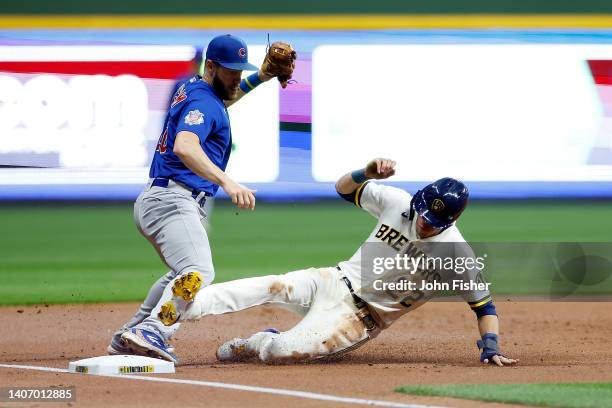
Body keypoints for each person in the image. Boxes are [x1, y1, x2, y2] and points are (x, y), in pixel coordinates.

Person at [175, 158, 518, 366]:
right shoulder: (397, 201)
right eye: (424, 212)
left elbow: (484, 308)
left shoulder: (456, 253)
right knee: (269, 285)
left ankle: (258, 341)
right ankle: (184, 305)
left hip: (358, 320)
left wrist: (490, 347)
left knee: (280, 352)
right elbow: (342, 189)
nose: (425, 221)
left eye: (435, 221)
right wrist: (365, 171)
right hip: (334, 281)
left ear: (451, 222)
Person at [107, 34, 294, 363]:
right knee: (197, 271)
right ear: (211, 66)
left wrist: (262, 77)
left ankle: (131, 334)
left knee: (179, 274)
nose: (237, 76)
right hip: (173, 200)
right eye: (230, 70)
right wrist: (228, 181)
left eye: (241, 69)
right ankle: (155, 330)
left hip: (163, 197)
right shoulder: (205, 101)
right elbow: (185, 146)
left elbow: (224, 101)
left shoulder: (198, 90)